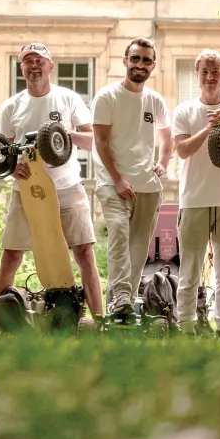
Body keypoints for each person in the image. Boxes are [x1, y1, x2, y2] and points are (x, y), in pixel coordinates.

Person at [0, 45, 103, 321]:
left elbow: (93, 141)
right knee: (11, 257)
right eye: (28, 61)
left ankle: (100, 323)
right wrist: (10, 168)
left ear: (50, 66)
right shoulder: (12, 107)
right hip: (27, 191)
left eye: (39, 60)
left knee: (85, 253)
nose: (34, 65)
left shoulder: (68, 98)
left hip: (67, 187)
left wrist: (64, 134)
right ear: (22, 69)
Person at [87, 36, 175, 321]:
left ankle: (126, 298)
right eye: (135, 58)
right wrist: (118, 179)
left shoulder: (155, 101)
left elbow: (166, 135)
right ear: (125, 61)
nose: (140, 64)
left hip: (147, 186)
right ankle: (121, 295)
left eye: (146, 60)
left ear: (153, 66)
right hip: (113, 183)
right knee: (119, 234)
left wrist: (162, 162)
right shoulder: (107, 97)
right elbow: (100, 142)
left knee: (139, 246)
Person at [164, 50, 220, 329]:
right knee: (190, 270)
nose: (210, 77)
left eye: (216, 71)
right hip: (195, 200)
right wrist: (209, 128)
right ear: (197, 75)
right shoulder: (184, 111)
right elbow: (183, 150)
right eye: (205, 71)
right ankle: (186, 326)